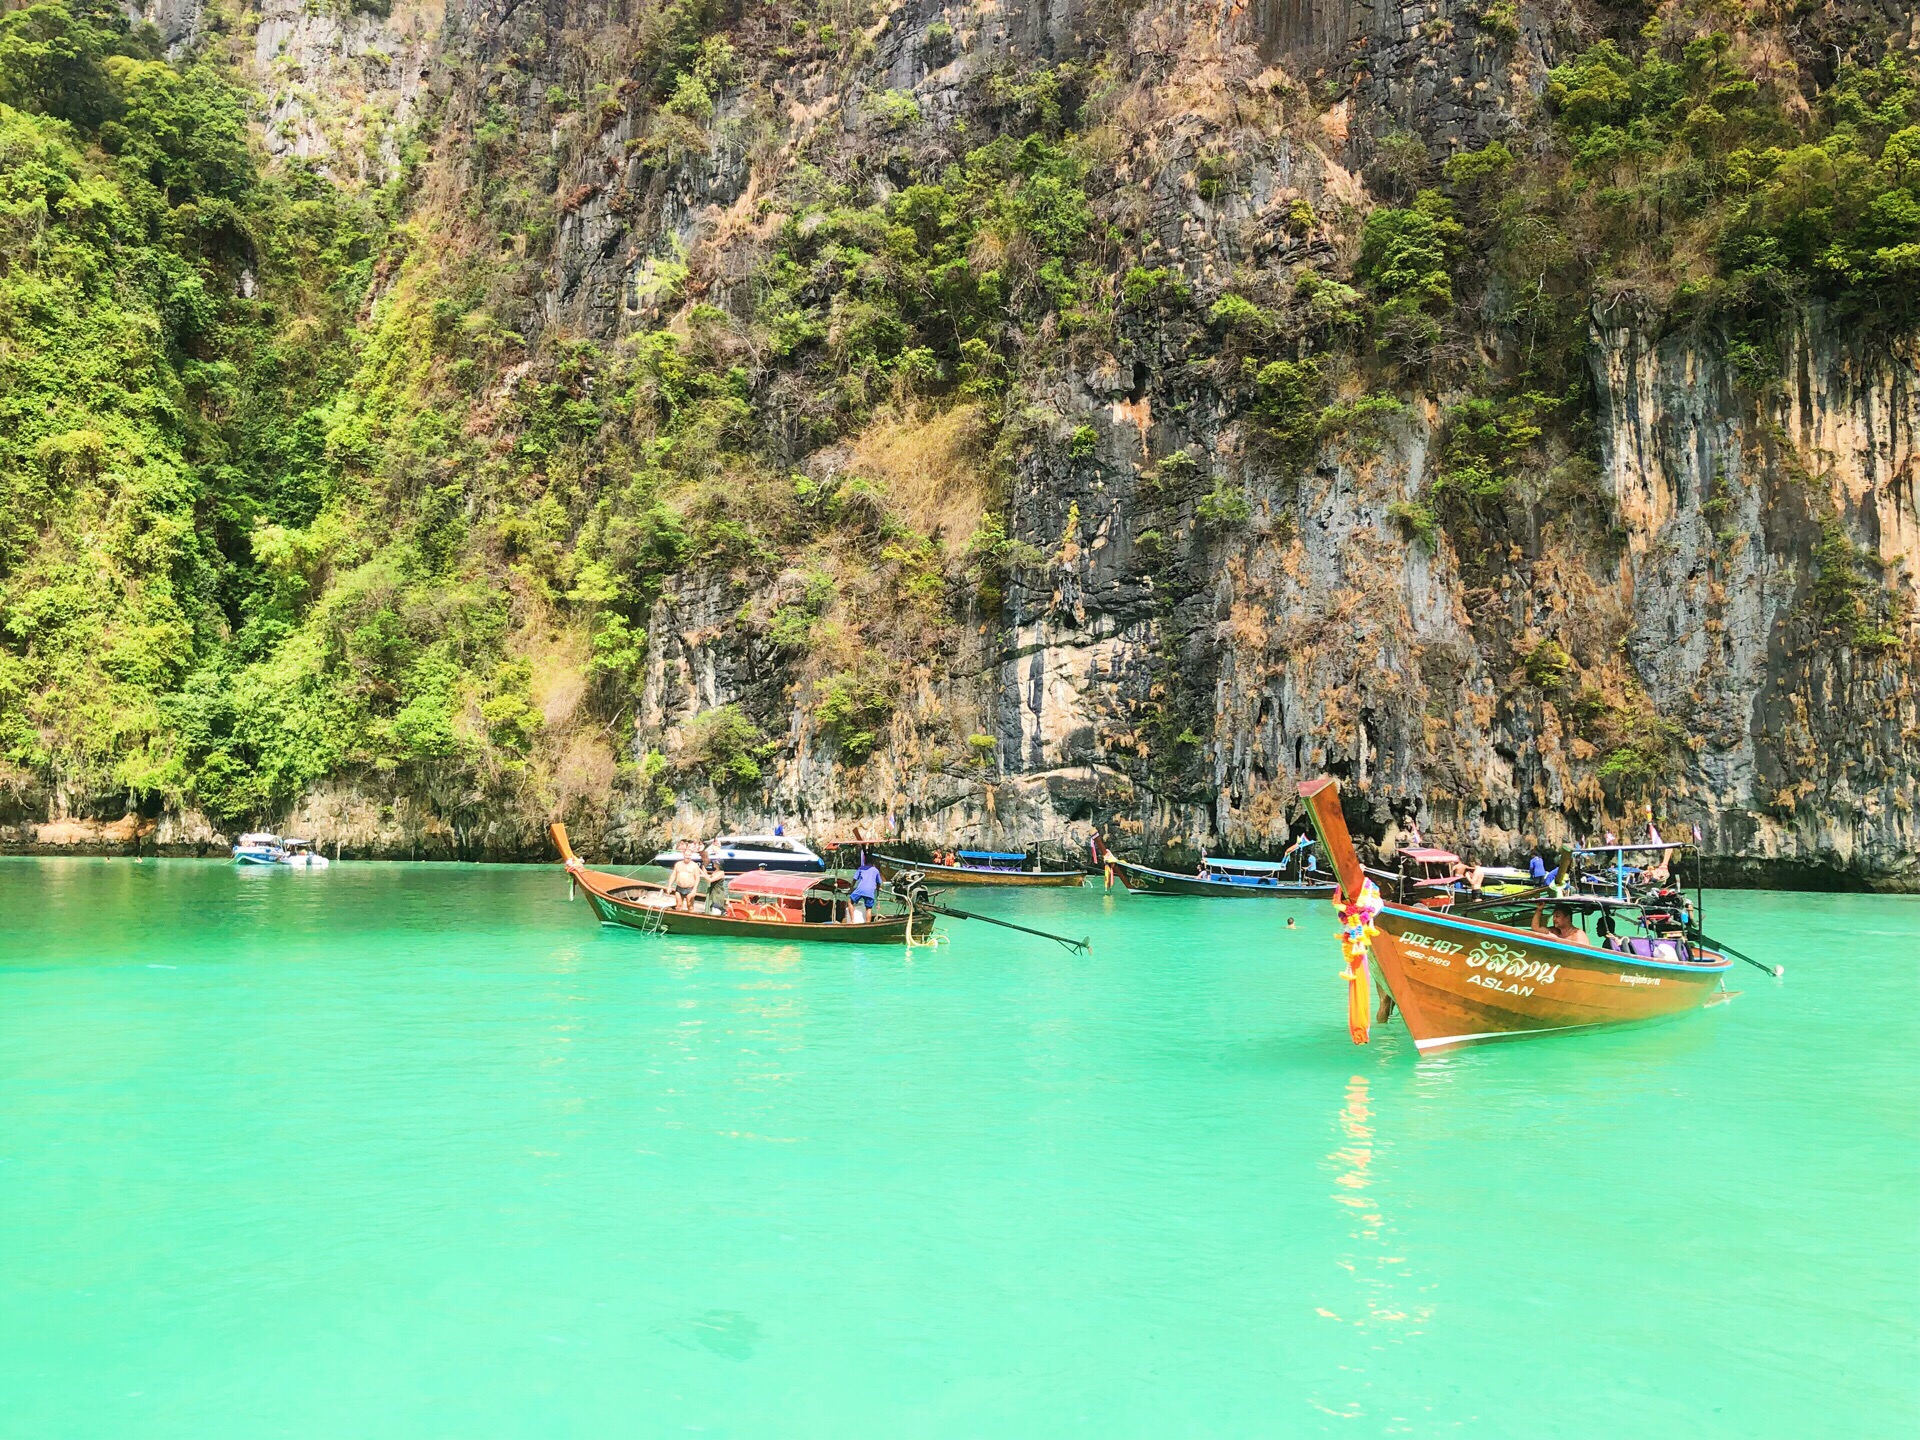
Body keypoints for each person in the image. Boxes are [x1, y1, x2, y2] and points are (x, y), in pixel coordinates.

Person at [849, 854, 881, 922]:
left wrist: (851, 889)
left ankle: (852, 921)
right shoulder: (876, 870)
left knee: (850, 901)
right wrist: (877, 891)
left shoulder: (860, 868)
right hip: (870, 891)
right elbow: (879, 883)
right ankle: (867, 924)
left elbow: (854, 880)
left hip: (861, 889)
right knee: (868, 909)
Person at [700, 850, 726, 914]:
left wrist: (700, 871)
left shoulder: (721, 873)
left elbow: (710, 880)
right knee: (710, 910)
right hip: (712, 893)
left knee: (716, 911)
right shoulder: (715, 871)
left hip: (717, 895)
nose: (713, 863)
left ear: (718, 865)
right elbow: (707, 877)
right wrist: (703, 867)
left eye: (715, 863)